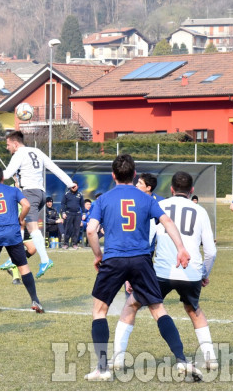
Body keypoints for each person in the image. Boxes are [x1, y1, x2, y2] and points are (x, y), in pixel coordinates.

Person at [83, 154, 201, 382]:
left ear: (113, 175)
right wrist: (181, 249)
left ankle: (102, 368)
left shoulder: (104, 199)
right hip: (141, 260)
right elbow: (167, 222)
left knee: (99, 311)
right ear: (134, 174)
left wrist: (98, 255)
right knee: (158, 309)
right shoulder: (146, 199)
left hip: (114, 259)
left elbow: (91, 230)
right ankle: (182, 360)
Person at [112, 171, 218, 371]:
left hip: (162, 272)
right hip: (191, 271)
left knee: (131, 305)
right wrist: (204, 274)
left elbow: (146, 242)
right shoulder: (200, 211)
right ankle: (210, 358)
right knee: (194, 310)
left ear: (171, 189)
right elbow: (211, 251)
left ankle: (118, 358)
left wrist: (134, 274)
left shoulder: (159, 206)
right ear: (191, 191)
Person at [0, 131, 75, 278]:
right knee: (20, 224)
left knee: (31, 226)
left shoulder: (19, 154)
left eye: (8, 144)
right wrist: (70, 183)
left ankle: (45, 260)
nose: (7, 147)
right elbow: (54, 168)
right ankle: (13, 260)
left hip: (29, 193)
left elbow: (6, 174)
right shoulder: (37, 151)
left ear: (15, 143)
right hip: (41, 193)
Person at [0, 166, 44, 313]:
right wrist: (21, 218)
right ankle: (35, 300)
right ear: (3, 178)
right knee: (23, 266)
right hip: (12, 233)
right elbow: (27, 205)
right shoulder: (13, 191)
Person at [61, 182, 84, 249]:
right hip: (68, 214)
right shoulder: (66, 194)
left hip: (77, 214)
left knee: (76, 229)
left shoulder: (80, 195)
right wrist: (63, 213)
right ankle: (66, 244)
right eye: (72, 186)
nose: (74, 187)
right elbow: (63, 204)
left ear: (77, 186)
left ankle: (75, 244)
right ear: (70, 186)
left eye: (75, 186)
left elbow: (82, 205)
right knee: (67, 229)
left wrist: (84, 214)